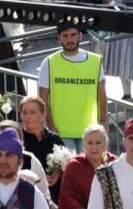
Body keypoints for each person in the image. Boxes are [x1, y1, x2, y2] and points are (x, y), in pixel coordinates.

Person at [37, 20, 105, 150]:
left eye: (73, 35)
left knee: (88, 169)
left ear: (80, 35)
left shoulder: (95, 61)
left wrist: (101, 123)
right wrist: (51, 126)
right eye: (65, 36)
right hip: (61, 131)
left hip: (89, 130)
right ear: (59, 39)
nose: (70, 39)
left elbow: (101, 94)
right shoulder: (49, 62)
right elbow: (42, 98)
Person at [57, 124, 114, 209]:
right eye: (90, 143)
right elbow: (66, 197)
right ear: (83, 145)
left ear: (105, 145)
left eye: (98, 143)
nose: (94, 147)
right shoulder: (74, 165)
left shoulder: (114, 163)